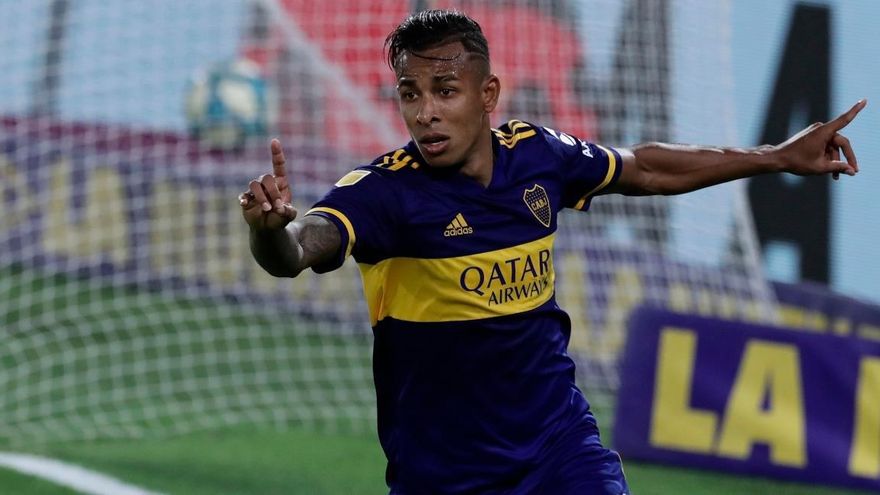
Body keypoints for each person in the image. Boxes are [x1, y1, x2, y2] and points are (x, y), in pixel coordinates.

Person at [239, 9, 865, 495]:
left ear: (488, 94)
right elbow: (298, 249)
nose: (426, 113)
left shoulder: (537, 156)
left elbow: (645, 168)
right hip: (445, 475)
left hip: (558, 447)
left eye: (445, 91)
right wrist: (270, 230)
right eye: (410, 94)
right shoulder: (384, 193)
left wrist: (776, 156)